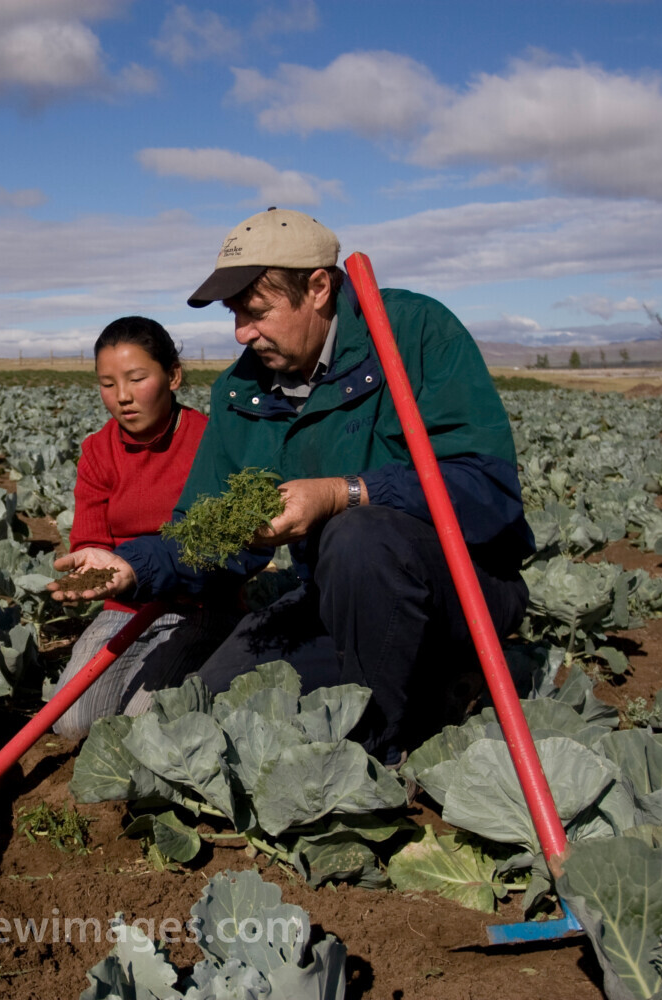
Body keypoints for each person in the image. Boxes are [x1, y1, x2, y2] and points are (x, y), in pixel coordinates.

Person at [52, 208, 532, 764]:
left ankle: (376, 757)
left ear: (319, 288)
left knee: (359, 537)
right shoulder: (243, 390)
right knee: (217, 705)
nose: (241, 333)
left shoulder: (414, 332)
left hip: (464, 588)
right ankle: (430, 689)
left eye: (256, 312)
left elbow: (489, 491)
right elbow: (206, 534)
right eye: (235, 314)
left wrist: (343, 493)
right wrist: (136, 566)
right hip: (334, 601)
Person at [47, 317, 236, 740]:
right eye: (108, 384)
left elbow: (222, 550)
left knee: (140, 724)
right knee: (74, 722)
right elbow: (92, 539)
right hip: (126, 605)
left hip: (200, 606)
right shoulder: (98, 451)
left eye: (136, 379)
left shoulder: (209, 442)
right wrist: (94, 569)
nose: (123, 397)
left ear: (173, 375)